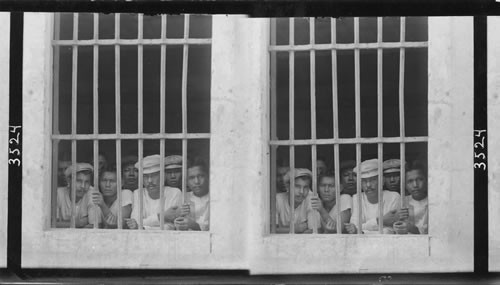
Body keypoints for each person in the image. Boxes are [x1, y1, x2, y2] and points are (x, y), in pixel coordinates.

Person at [345, 159, 406, 234]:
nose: (368, 185)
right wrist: (380, 221)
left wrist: (362, 231)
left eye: (373, 180)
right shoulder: (356, 198)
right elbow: (354, 227)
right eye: (364, 181)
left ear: (382, 181)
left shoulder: (394, 197)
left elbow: (391, 231)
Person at [126, 155, 182, 230]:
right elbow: (134, 222)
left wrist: (142, 227)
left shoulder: (174, 193)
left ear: (163, 176)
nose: (149, 181)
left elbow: (170, 226)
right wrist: (162, 216)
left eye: (154, 175)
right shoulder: (138, 193)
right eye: (145, 176)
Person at [56, 163, 102, 228]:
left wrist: (64, 224)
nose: (83, 186)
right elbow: (53, 224)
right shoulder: (59, 193)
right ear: (69, 181)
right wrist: (79, 223)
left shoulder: (93, 194)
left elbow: (95, 227)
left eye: (87, 182)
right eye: (78, 181)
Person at [275, 168, 320, 234]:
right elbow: (272, 230)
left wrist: (283, 230)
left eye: (305, 187)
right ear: (287, 187)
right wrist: (296, 229)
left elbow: (314, 232)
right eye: (297, 186)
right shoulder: (278, 199)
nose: (301, 192)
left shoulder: (311, 199)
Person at [174, 158, 210, 231]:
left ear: (208, 177)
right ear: (186, 181)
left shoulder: (216, 198)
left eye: (200, 176)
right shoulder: (183, 198)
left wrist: (195, 226)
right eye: (191, 178)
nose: (196, 181)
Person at [401, 161, 428, 234]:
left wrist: (412, 229)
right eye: (410, 181)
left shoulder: (434, 202)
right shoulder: (402, 202)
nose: (415, 185)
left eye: (420, 179)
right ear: (405, 185)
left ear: (427, 180)